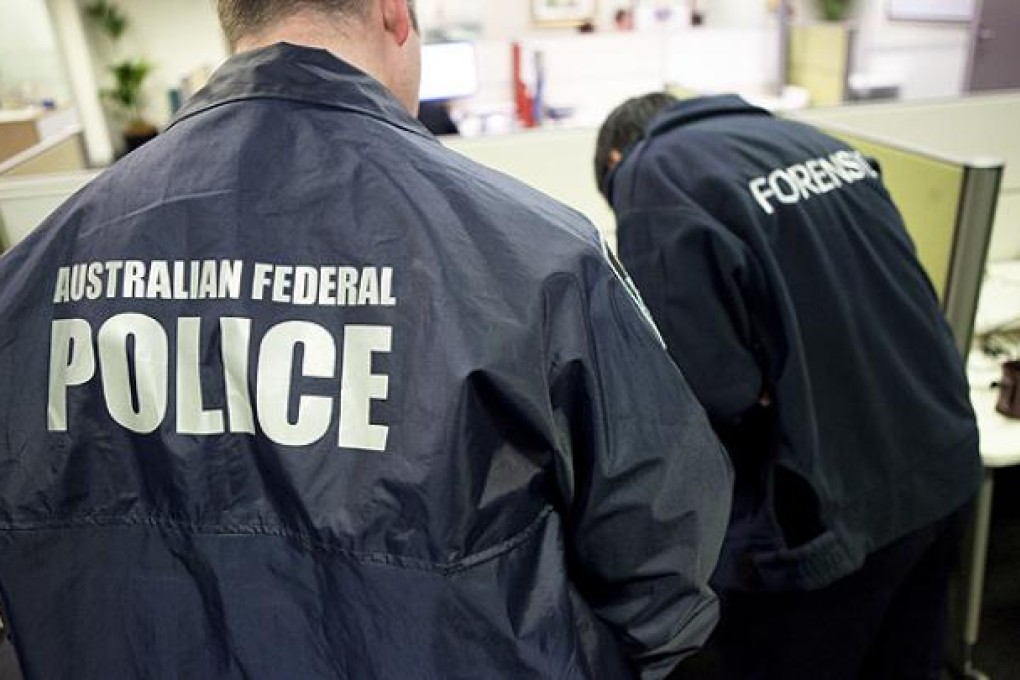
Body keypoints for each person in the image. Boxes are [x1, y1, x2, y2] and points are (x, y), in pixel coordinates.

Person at [0, 3, 734, 678]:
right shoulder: (536, 256)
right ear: (393, 10)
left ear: (234, 18)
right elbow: (660, 558)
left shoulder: (35, 272)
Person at [594, 92, 982, 679]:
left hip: (834, 513)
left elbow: (712, 385)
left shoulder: (653, 173)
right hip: (941, 466)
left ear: (617, 159)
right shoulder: (817, 144)